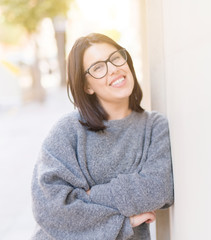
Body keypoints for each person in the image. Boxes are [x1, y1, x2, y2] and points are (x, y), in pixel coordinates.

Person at [31, 33, 174, 240]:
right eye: (98, 67)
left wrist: (86, 197)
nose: (114, 68)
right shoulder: (67, 131)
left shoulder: (154, 127)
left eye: (116, 58)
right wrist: (125, 222)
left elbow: (159, 188)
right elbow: (50, 208)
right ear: (86, 86)